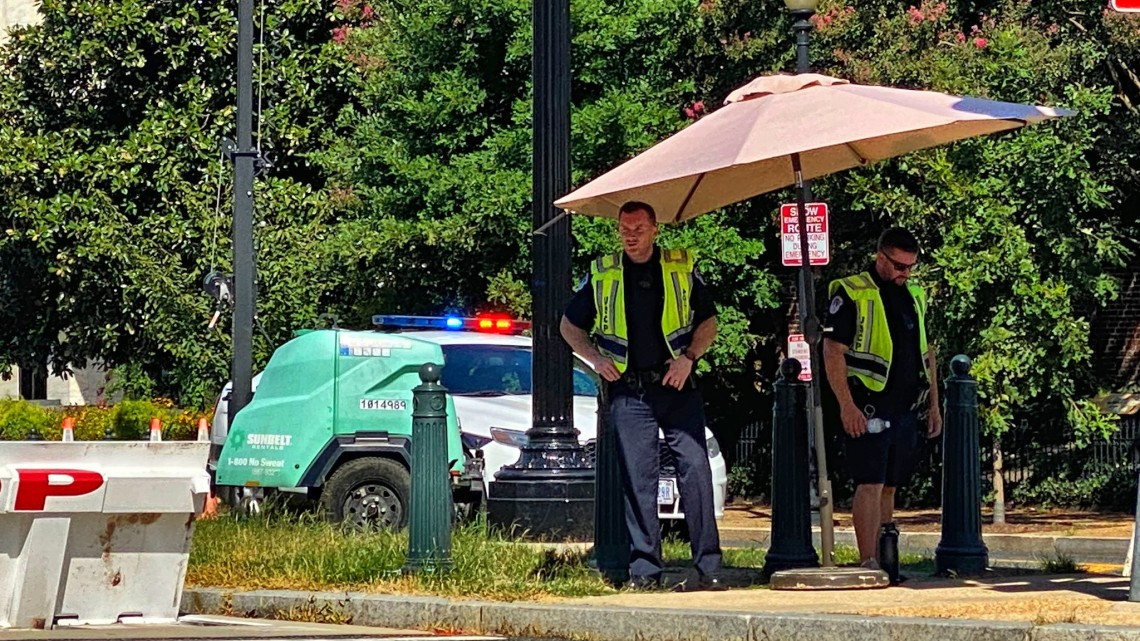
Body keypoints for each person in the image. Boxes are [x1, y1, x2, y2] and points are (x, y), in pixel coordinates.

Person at [560, 201, 724, 591]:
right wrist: (596, 360)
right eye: (624, 229)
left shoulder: (681, 266)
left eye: (637, 228)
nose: (630, 236)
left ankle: (710, 568)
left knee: (695, 471)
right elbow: (569, 325)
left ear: (655, 229)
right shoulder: (602, 272)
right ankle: (646, 571)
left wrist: (689, 359)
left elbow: (710, 321)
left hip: (676, 385)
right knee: (640, 480)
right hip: (629, 391)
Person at [822, 227, 942, 576]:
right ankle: (868, 561)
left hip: (905, 405)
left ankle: (887, 558)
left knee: (890, 484)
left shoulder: (914, 295)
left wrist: (935, 405)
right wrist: (847, 405)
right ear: (880, 257)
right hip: (868, 403)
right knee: (870, 482)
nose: (906, 274)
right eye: (900, 266)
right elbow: (833, 352)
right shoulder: (853, 292)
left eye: (911, 267)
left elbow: (928, 350)